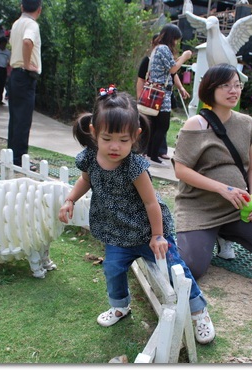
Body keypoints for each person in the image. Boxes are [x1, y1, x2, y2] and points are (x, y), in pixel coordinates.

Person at [58, 87, 216, 345]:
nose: (115, 146)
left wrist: (158, 235)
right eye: (107, 138)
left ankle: (199, 311)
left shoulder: (135, 167)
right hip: (116, 232)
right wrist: (70, 199)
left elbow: (151, 203)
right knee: (112, 268)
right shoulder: (89, 158)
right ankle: (120, 305)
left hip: (146, 232)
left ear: (135, 136)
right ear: (94, 132)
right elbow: (85, 180)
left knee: (175, 269)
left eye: (123, 139)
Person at [172, 63, 252, 280]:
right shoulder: (195, 124)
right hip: (199, 207)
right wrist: (222, 188)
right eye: (226, 85)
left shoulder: (247, 124)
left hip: (236, 207)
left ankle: (224, 233)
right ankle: (206, 235)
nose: (233, 91)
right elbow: (181, 170)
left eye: (237, 85)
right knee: (192, 269)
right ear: (210, 89)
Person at [145, 24, 193, 168]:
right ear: (171, 37)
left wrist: (180, 87)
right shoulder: (164, 49)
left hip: (155, 91)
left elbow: (171, 71)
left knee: (155, 125)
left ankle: (150, 153)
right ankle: (154, 154)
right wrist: (184, 57)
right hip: (161, 93)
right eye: (176, 39)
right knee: (163, 125)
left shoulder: (157, 49)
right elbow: (173, 69)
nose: (176, 42)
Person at [7, 0, 43, 168]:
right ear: (39, 10)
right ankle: (19, 159)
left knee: (15, 117)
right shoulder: (31, 25)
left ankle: (11, 154)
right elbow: (27, 41)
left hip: (15, 74)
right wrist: (28, 64)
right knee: (23, 119)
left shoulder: (16, 24)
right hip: (25, 75)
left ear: (22, 7)